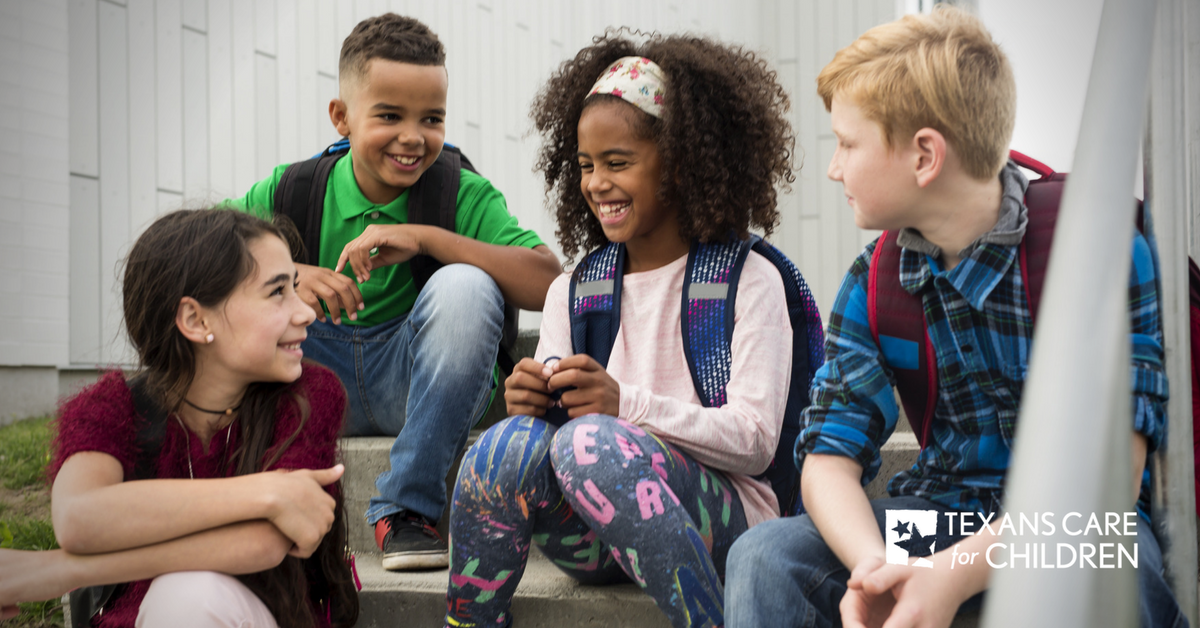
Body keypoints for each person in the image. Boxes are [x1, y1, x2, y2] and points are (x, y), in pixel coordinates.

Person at [724, 7, 1186, 628]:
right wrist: (875, 568)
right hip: (942, 514)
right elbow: (828, 457)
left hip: (1080, 525)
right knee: (765, 555)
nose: (834, 167)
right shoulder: (876, 278)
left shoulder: (1095, 248)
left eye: (847, 142)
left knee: (1120, 565)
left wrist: (953, 576)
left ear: (924, 157)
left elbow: (1113, 482)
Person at [441, 31, 798, 628]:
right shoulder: (576, 287)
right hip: (595, 527)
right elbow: (555, 435)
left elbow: (757, 440)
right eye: (585, 165)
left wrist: (621, 405)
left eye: (618, 162)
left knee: (594, 443)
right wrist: (532, 404)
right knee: (503, 445)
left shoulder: (748, 279)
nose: (596, 184)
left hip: (722, 520)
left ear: (681, 164)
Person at [225, 13, 561, 571]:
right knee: (245, 291)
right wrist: (288, 274)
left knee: (467, 285)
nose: (413, 137)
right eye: (389, 115)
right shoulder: (291, 190)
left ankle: (406, 508)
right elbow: (188, 254)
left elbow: (550, 281)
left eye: (432, 118)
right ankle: (250, 496)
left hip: (420, 380)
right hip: (313, 378)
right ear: (342, 118)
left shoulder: (461, 192)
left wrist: (427, 238)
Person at [0, 209, 357, 627]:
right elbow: (78, 517)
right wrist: (267, 492)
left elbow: (264, 542)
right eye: (277, 293)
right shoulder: (112, 406)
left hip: (261, 614)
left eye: (295, 289)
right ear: (195, 319)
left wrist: (62, 571)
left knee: (191, 594)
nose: (305, 313)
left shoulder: (309, 395)